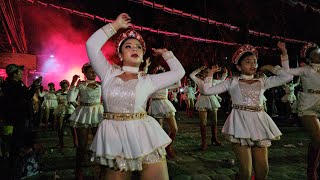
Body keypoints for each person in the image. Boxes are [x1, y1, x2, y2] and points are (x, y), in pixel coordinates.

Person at [86, 13, 185, 179]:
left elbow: (179, 73)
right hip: (114, 137)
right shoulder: (108, 73)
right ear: (120, 54)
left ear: (142, 56)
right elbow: (91, 45)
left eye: (138, 47)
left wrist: (166, 53)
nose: (134, 49)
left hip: (145, 135)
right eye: (128, 46)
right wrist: (115, 25)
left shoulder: (148, 80)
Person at [201, 44, 292, 180]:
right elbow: (206, 91)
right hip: (240, 125)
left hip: (259, 124)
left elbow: (287, 77)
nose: (253, 64)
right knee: (246, 172)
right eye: (248, 62)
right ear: (238, 66)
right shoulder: (232, 81)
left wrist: (273, 65)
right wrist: (210, 74)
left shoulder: (263, 80)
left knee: (262, 171)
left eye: (255, 61)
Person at [285, 43, 320, 179]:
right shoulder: (305, 70)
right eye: (316, 53)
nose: (319, 54)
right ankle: (311, 171)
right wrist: (284, 54)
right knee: (318, 138)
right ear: (310, 58)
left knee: (316, 140)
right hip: (308, 104)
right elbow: (287, 71)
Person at [1, 64, 41, 178]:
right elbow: (27, 96)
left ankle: (17, 167)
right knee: (18, 143)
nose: (21, 73)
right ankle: (17, 170)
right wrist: (35, 85)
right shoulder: (13, 86)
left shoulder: (12, 84)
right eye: (19, 72)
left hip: (17, 118)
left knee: (16, 143)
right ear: (14, 74)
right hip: (17, 118)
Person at [67, 63, 104, 179]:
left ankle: (102, 169)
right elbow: (70, 98)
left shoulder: (101, 85)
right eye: (90, 71)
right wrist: (73, 83)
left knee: (100, 143)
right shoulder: (81, 85)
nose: (93, 73)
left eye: (94, 71)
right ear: (85, 73)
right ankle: (79, 170)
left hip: (98, 114)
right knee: (82, 145)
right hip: (84, 114)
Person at [190, 66, 228, 150]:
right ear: (202, 74)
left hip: (212, 100)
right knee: (203, 122)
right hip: (203, 101)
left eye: (209, 72)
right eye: (205, 72)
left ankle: (214, 138)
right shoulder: (199, 81)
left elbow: (222, 81)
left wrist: (225, 73)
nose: (207, 74)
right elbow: (191, 75)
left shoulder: (213, 81)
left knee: (214, 121)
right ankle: (204, 142)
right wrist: (199, 69)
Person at [148, 65, 181, 159]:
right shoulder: (151, 84)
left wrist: (174, 72)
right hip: (156, 106)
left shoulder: (166, 84)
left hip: (166, 105)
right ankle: (160, 150)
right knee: (159, 131)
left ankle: (168, 146)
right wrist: (154, 72)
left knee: (174, 129)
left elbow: (178, 84)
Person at [54, 80, 76, 149]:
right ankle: (61, 143)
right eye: (63, 86)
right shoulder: (58, 94)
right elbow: (56, 102)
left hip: (70, 109)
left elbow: (74, 101)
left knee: (73, 127)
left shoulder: (70, 93)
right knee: (60, 127)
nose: (65, 87)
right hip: (61, 109)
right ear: (61, 86)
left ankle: (76, 143)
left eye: (66, 86)